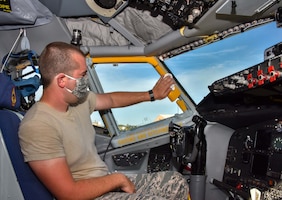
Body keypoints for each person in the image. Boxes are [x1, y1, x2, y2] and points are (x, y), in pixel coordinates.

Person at [19, 41, 189, 200]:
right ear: (62, 80)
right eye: (82, 75)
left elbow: (111, 100)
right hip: (84, 195)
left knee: (175, 181)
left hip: (102, 182)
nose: (85, 82)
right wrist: (118, 179)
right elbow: (68, 193)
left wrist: (152, 95)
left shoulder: (78, 100)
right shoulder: (38, 125)